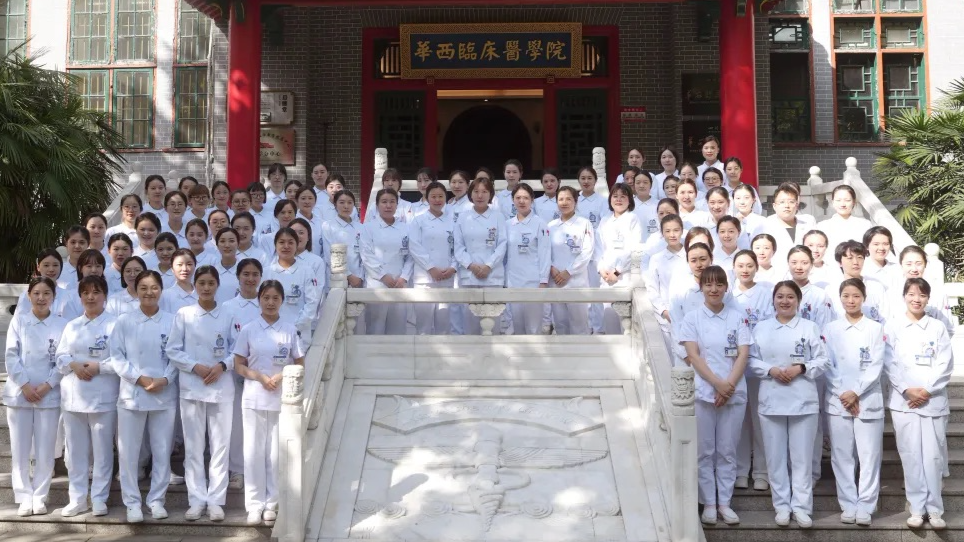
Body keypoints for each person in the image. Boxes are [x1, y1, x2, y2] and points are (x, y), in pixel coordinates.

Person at [748, 280, 829, 528]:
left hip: (803, 400)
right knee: (775, 458)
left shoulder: (809, 327)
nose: (785, 301)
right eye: (780, 296)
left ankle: (802, 507)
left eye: (790, 297)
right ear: (773, 300)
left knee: (802, 459)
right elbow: (750, 359)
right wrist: (770, 370)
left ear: (798, 301)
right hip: (771, 399)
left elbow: (823, 360)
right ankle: (782, 506)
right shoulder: (761, 328)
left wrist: (801, 368)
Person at [679, 265, 752, 526]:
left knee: (727, 451)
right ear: (701, 288)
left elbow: (743, 354)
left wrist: (727, 386)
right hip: (704, 392)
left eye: (719, 284)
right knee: (705, 451)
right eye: (708, 284)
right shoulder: (692, 318)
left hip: (733, 392)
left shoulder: (738, 318)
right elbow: (693, 356)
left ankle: (725, 503)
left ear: (725, 288)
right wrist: (717, 384)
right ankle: (709, 503)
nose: (714, 289)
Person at [166, 265, 235, 522]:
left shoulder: (228, 314)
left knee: (220, 447)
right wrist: (195, 366)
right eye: (202, 283)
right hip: (192, 387)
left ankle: (216, 501)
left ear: (217, 285)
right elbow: (173, 349)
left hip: (221, 387)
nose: (206, 288)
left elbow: (238, 348)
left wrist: (222, 366)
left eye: (210, 283)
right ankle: (196, 500)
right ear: (195, 285)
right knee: (194, 448)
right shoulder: (184, 314)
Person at [233, 280, 305, 526]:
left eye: (275, 298)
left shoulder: (290, 330)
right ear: (259, 300)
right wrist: (259, 377)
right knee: (253, 451)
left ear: (282, 300)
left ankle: (272, 503)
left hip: (280, 398)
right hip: (254, 396)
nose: (271, 302)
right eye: (266, 298)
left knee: (275, 453)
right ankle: (254, 505)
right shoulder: (249, 329)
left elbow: (299, 362)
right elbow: (238, 364)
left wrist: (281, 375)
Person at [886, 277, 953, 530]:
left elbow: (945, 363)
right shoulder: (893, 326)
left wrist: (926, 391)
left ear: (928, 299)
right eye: (912, 294)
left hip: (932, 401)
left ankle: (935, 510)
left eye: (922, 295)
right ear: (904, 296)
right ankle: (916, 508)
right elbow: (889, 362)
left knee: (933, 457)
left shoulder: (937, 327)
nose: (917, 299)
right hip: (904, 402)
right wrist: (907, 390)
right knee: (911, 455)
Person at [110, 270, 177, 523]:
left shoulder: (172, 321)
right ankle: (132, 503)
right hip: (132, 394)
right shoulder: (125, 321)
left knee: (162, 450)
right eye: (144, 288)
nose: (149, 292)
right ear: (136, 291)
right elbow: (117, 356)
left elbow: (177, 355)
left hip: (164, 394)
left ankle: (157, 500)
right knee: (129, 453)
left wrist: (165, 379)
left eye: (154, 287)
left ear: (161, 290)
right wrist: (139, 378)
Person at [823, 278, 886, 526]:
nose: (851, 300)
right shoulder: (831, 329)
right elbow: (827, 364)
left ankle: (866, 505)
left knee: (869, 456)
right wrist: (844, 393)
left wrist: (856, 392)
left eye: (856, 296)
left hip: (867, 400)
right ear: (840, 298)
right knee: (841, 456)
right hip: (838, 400)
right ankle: (848, 504)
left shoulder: (875, 328)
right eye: (846, 296)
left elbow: (876, 365)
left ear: (864, 298)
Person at [4, 277, 68, 517]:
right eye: (37, 293)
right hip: (20, 394)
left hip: (48, 394)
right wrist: (25, 385)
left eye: (46, 293)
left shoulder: (62, 325)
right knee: (20, 450)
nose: (41, 298)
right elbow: (11, 355)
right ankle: (23, 497)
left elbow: (63, 359)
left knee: (45, 449)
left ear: (53, 297)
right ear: (29, 296)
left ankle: (40, 496)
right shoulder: (19, 321)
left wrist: (47, 385)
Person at [56, 275, 118, 517]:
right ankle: (77, 498)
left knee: (102, 451)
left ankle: (100, 498)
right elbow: (60, 356)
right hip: (74, 396)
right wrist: (73, 365)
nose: (91, 297)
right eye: (86, 293)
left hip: (103, 395)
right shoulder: (72, 325)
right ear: (80, 296)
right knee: (76, 452)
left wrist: (99, 367)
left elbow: (121, 360)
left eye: (96, 292)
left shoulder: (115, 325)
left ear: (105, 295)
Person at [731, 250, 774, 493]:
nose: (745, 270)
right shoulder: (728, 295)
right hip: (734, 367)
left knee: (760, 421)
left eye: (749, 265)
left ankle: (761, 472)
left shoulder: (766, 294)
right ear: (734, 268)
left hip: (759, 365)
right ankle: (739, 471)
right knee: (738, 422)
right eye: (740, 265)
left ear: (757, 267)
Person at [222, 258, 264, 490]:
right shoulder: (227, 308)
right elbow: (225, 341)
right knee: (237, 424)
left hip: (263, 374)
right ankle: (237, 470)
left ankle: (259, 471)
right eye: (246, 274)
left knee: (260, 424)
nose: (250, 278)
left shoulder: (266, 303)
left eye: (255, 274)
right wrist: (236, 361)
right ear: (238, 276)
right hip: (234, 372)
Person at [454, 177, 508, 335]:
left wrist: (488, 266)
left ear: (490, 194)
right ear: (470, 194)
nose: (480, 195)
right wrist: (471, 265)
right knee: (470, 322)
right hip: (469, 276)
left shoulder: (498, 216)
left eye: (484, 191)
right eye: (476, 191)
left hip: (493, 276)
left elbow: (502, 244)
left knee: (493, 322)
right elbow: (458, 247)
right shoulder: (462, 217)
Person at [360, 189, 413, 335]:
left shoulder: (406, 228)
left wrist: (404, 277)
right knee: (375, 327)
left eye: (392, 202)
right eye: (384, 202)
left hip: (399, 284)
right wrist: (383, 275)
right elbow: (366, 254)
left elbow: (411, 255)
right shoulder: (368, 228)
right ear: (377, 205)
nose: (388, 205)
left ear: (397, 205)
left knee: (398, 328)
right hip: (377, 283)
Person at [409, 182, 458, 335]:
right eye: (433, 196)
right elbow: (414, 246)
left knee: (444, 324)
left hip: (446, 277)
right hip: (424, 279)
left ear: (446, 198)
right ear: (427, 198)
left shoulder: (453, 221)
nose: (437, 200)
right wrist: (431, 268)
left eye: (441, 196)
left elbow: (459, 247)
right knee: (423, 325)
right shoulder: (418, 220)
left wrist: (453, 267)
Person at [504, 183, 551, 335]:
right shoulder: (507, 225)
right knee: (517, 327)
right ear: (513, 200)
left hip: (533, 281)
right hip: (513, 282)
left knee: (533, 328)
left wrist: (543, 281)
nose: (521, 201)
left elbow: (545, 254)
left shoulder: (540, 224)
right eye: (518, 198)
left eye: (525, 198)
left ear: (532, 200)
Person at [547, 186, 594, 335]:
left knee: (579, 324)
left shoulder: (584, 223)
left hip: (576, 282)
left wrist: (569, 271)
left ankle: (581, 350)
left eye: (568, 199)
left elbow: (587, 251)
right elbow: (545, 252)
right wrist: (552, 268)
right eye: (561, 199)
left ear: (576, 201)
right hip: (556, 281)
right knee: (560, 324)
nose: (564, 202)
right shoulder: (551, 226)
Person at [596, 184, 641, 334]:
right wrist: (601, 269)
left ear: (630, 200)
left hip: (624, 276)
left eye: (623, 196)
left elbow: (633, 248)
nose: (618, 200)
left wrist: (617, 271)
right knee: (609, 318)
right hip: (606, 277)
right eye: (615, 196)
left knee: (625, 322)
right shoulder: (605, 221)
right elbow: (599, 248)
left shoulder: (633, 219)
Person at [646, 214, 687, 356]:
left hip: (690, 312)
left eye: (676, 230)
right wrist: (663, 311)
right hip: (667, 315)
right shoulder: (656, 259)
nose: (672, 235)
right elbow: (652, 288)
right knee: (671, 357)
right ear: (662, 233)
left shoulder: (691, 256)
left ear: (682, 231)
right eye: (668, 231)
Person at [575, 167, 608, 334]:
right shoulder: (574, 199)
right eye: (583, 178)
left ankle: (598, 328)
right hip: (576, 251)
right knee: (580, 290)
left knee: (595, 290)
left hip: (595, 250)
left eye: (589, 178)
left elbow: (604, 226)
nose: (586, 181)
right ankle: (583, 327)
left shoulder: (602, 201)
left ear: (595, 180)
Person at [832, 240, 890, 324]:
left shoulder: (875, 286)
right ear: (840, 262)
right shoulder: (832, 289)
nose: (855, 262)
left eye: (859, 257)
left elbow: (886, 318)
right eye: (850, 258)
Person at [321, 189, 365, 291]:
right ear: (335, 205)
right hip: (337, 279)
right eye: (341, 202)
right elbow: (329, 255)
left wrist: (360, 276)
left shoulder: (361, 227)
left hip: (358, 280)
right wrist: (349, 275)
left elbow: (365, 254)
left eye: (350, 202)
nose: (346, 206)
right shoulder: (328, 226)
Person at [764, 184, 816, 265]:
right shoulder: (766, 226)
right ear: (774, 206)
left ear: (797, 205)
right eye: (782, 202)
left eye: (791, 202)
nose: (786, 206)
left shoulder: (808, 224)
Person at [816, 185, 873, 258]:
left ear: (854, 202)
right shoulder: (822, 226)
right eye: (838, 200)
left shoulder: (865, 225)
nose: (842, 204)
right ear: (833, 202)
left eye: (847, 200)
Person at [13, 249, 69, 319]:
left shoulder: (68, 296)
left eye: (55, 265)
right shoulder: (26, 295)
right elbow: (19, 320)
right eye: (46, 265)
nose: (51, 269)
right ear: (38, 267)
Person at [160, 249, 199, 314]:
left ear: (195, 266)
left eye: (189, 264)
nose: (184, 269)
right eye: (179, 265)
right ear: (172, 268)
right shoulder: (165, 296)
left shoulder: (202, 293)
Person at [294, 186, 324, 258]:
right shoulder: (292, 222)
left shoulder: (322, 223)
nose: (307, 202)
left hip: (318, 262)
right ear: (297, 201)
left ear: (315, 201)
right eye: (303, 198)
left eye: (310, 198)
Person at [213, 227, 241, 304]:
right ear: (217, 245)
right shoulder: (212, 272)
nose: (227, 245)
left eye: (231, 241)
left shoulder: (245, 271)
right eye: (222, 241)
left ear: (238, 244)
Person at [62, 225, 91, 292]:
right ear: (66, 243)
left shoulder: (95, 270)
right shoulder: (59, 271)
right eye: (73, 242)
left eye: (81, 242)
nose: (77, 246)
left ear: (88, 244)